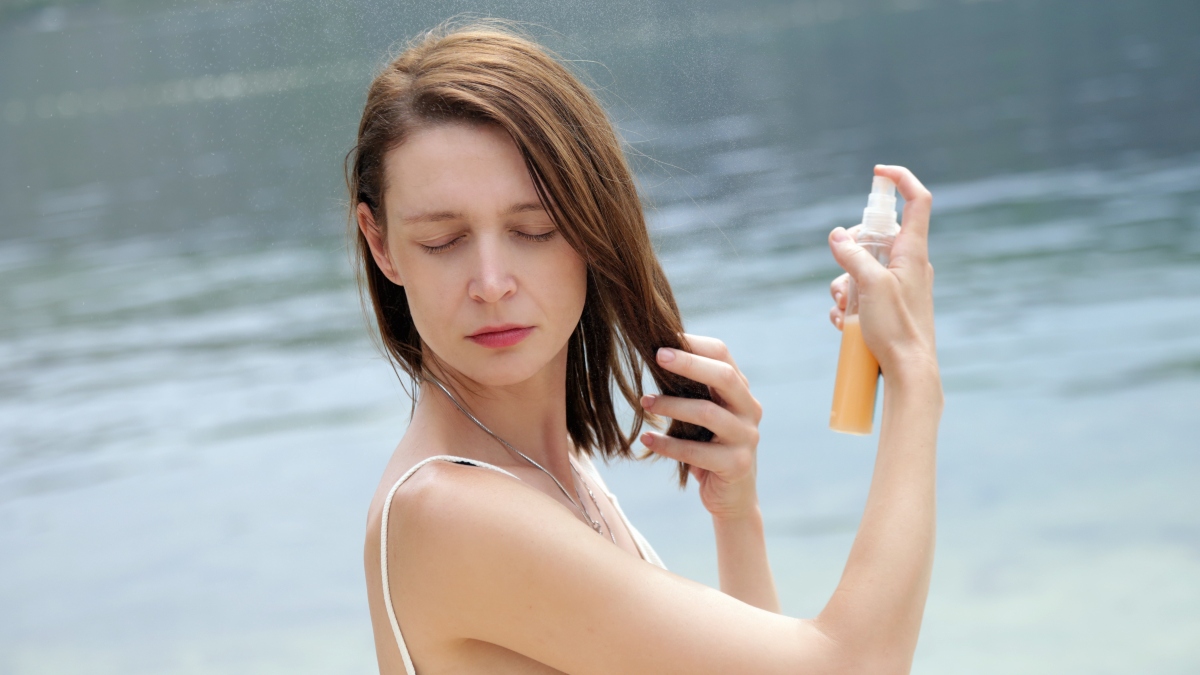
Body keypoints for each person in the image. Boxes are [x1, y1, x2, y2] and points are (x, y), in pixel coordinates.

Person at [347, 21, 942, 675]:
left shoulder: (553, 471)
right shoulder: (449, 512)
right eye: (443, 240)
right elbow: (858, 664)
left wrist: (736, 513)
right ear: (380, 243)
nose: (491, 283)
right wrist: (913, 374)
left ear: (589, 224)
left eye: (533, 228)